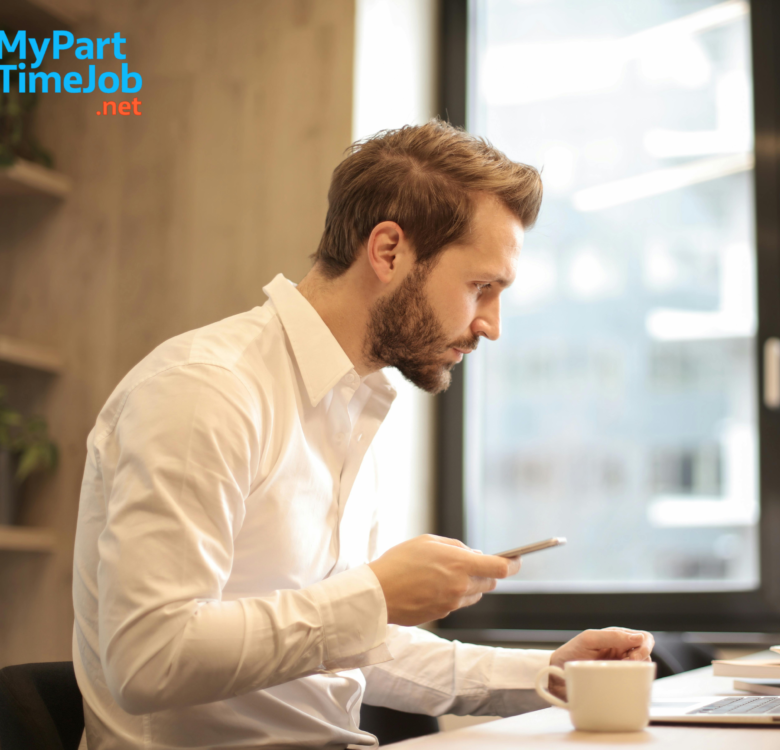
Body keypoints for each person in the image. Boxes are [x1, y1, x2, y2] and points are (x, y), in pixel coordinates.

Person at [72, 120, 655, 750]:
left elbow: (344, 644)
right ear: (388, 251)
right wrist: (373, 595)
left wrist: (548, 673)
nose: (491, 325)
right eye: (480, 287)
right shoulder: (206, 391)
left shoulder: (353, 405)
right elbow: (149, 658)